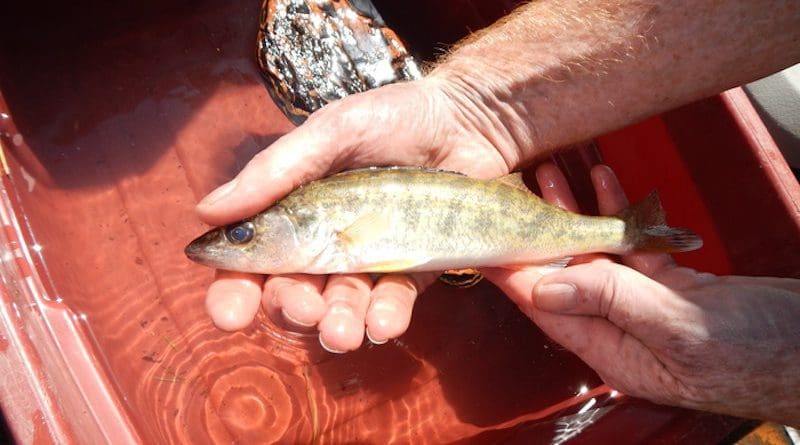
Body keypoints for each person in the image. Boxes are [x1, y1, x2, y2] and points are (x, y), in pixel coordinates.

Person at [194, 0, 800, 426]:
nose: (237, 238)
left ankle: (624, 233)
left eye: (244, 233)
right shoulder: (320, 224)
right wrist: (475, 106)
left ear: (295, 222)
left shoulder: (328, 223)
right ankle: (625, 233)